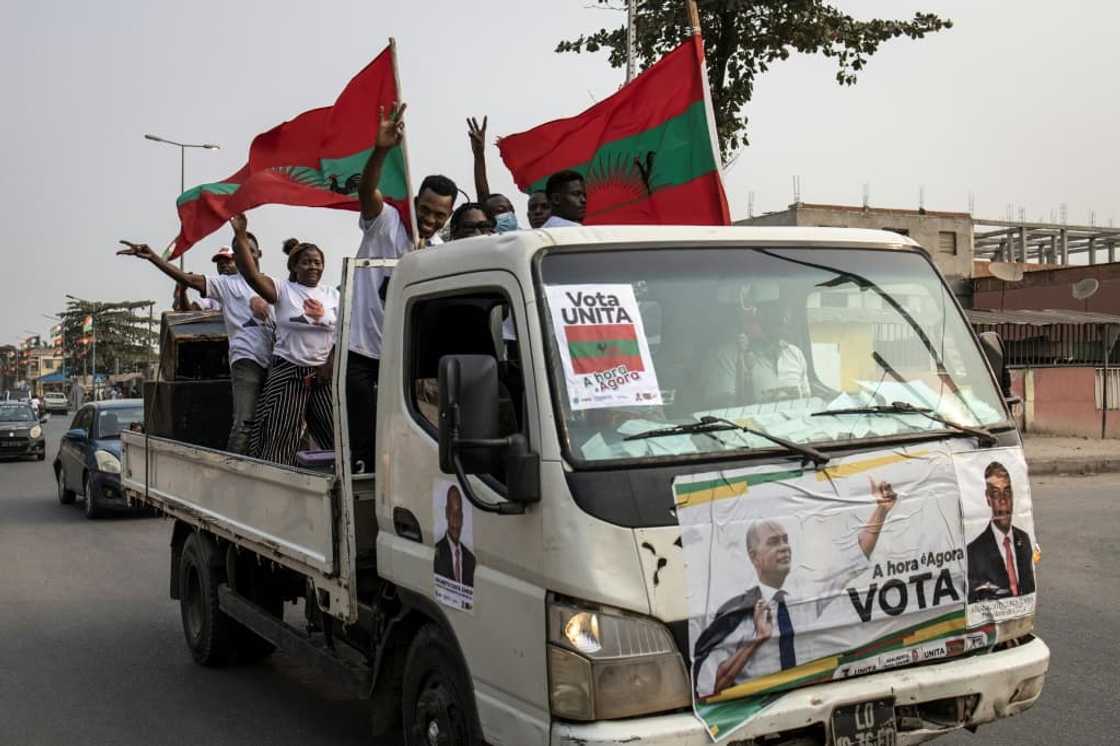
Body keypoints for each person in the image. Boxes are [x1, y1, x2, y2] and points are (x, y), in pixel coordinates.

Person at [692, 478, 898, 698]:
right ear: (754, 557)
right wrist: (757, 639)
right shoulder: (736, 614)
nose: (783, 548)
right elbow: (711, 686)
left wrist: (881, 512)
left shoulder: (805, 594)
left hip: (813, 697)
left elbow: (852, 562)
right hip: (760, 709)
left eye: (785, 540)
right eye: (773, 542)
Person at [347, 101, 456, 473]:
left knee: (406, 443)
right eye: (424, 210)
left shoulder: (441, 252)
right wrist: (381, 149)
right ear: (414, 202)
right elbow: (366, 191)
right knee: (363, 445)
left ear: (448, 217)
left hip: (405, 359)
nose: (429, 219)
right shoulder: (387, 223)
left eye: (439, 215)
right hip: (362, 352)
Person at [118, 233, 273, 454]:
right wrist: (153, 257)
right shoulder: (226, 285)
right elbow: (189, 289)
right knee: (245, 423)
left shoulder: (273, 284)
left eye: (248, 251)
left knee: (273, 422)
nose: (227, 264)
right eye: (238, 252)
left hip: (276, 359)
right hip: (246, 360)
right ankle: (232, 474)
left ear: (259, 254)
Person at [228, 214, 338, 465]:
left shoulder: (333, 295)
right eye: (307, 262)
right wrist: (241, 235)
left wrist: (329, 364)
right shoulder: (284, 290)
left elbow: (342, 333)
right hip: (288, 374)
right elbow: (251, 275)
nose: (313, 267)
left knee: (337, 435)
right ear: (294, 267)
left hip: (321, 375)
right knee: (278, 438)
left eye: (318, 262)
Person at [967, 461, 1035, 602]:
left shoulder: (1024, 539)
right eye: (996, 494)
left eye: (1007, 492)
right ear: (988, 498)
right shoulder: (974, 552)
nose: (1003, 500)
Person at [466, 115, 520, 233]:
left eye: (510, 209)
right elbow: (482, 194)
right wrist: (479, 155)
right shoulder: (489, 241)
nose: (508, 214)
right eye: (500, 210)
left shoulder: (529, 236)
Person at [433, 485, 476, 587]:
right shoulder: (437, 551)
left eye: (459, 515)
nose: (456, 524)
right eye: (453, 514)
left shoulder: (470, 559)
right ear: (447, 513)